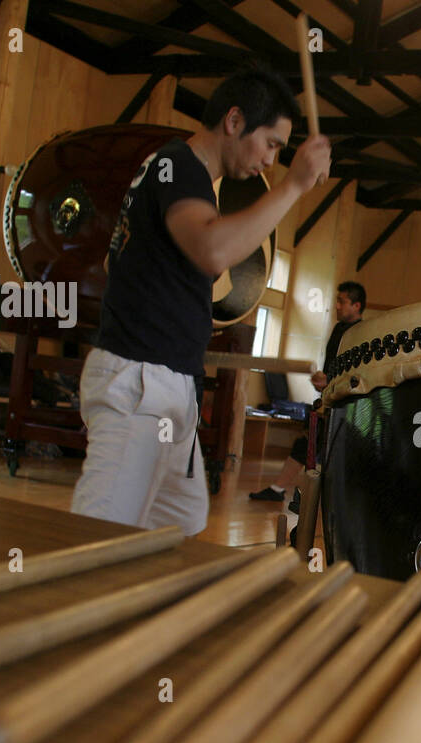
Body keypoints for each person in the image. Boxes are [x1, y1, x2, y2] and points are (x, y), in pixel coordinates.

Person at [70, 67, 332, 536]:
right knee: (99, 540)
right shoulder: (178, 166)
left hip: (168, 388)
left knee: (179, 529)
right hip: (140, 385)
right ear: (234, 121)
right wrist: (295, 186)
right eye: (271, 143)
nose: (272, 161)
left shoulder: (185, 177)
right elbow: (213, 251)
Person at [250, 281, 365, 503]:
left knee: (329, 450)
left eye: (342, 302)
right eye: (337, 301)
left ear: (357, 305)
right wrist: (323, 379)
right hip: (327, 400)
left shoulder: (360, 334)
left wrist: (330, 382)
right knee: (306, 442)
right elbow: (335, 366)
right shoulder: (338, 329)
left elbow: (355, 374)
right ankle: (279, 488)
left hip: (345, 405)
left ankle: (328, 499)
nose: (337, 306)